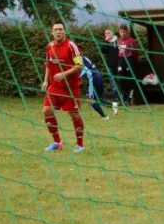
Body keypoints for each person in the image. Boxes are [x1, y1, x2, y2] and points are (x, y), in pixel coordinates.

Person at [42, 21, 86, 153]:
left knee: (74, 115)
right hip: (54, 87)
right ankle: (57, 142)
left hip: (70, 88)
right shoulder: (49, 46)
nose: (58, 32)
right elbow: (48, 65)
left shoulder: (71, 46)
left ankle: (80, 145)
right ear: (52, 32)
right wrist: (45, 81)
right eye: (56, 30)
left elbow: (80, 65)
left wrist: (64, 74)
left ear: (64, 32)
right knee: (47, 111)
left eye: (60, 29)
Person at [81, 55, 112, 121]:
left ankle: (105, 116)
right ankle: (112, 105)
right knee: (96, 99)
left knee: (90, 100)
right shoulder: (84, 57)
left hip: (93, 78)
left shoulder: (78, 59)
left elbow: (84, 70)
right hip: (98, 76)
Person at [116, 24, 140, 107]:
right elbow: (117, 51)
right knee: (121, 80)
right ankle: (123, 98)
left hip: (129, 60)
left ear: (127, 32)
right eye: (121, 32)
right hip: (121, 60)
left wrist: (133, 60)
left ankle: (129, 99)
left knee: (129, 80)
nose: (122, 33)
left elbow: (136, 52)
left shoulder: (131, 41)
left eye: (124, 32)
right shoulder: (118, 41)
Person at [101, 28, 120, 107]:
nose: (107, 35)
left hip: (118, 64)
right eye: (106, 33)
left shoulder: (117, 41)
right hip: (110, 65)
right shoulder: (106, 43)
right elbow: (102, 50)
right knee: (112, 82)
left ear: (112, 33)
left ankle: (121, 97)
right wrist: (105, 41)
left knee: (119, 81)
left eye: (109, 33)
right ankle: (116, 97)